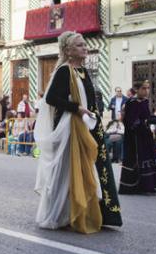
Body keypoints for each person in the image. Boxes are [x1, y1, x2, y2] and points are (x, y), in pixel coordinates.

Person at [34, 31, 122, 232]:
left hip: (88, 126)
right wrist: (77, 108)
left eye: (84, 44)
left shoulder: (82, 70)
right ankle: (58, 214)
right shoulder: (65, 71)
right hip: (70, 128)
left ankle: (95, 212)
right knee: (66, 171)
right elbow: (51, 99)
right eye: (80, 45)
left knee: (91, 170)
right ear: (69, 51)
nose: (85, 48)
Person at [119, 80, 156, 195]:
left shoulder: (145, 101)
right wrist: (143, 122)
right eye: (144, 88)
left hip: (145, 135)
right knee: (139, 160)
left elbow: (146, 117)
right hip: (134, 138)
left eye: (148, 88)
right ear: (137, 90)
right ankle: (138, 186)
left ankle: (149, 185)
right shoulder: (131, 103)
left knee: (149, 158)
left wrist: (155, 118)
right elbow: (130, 122)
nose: (147, 91)